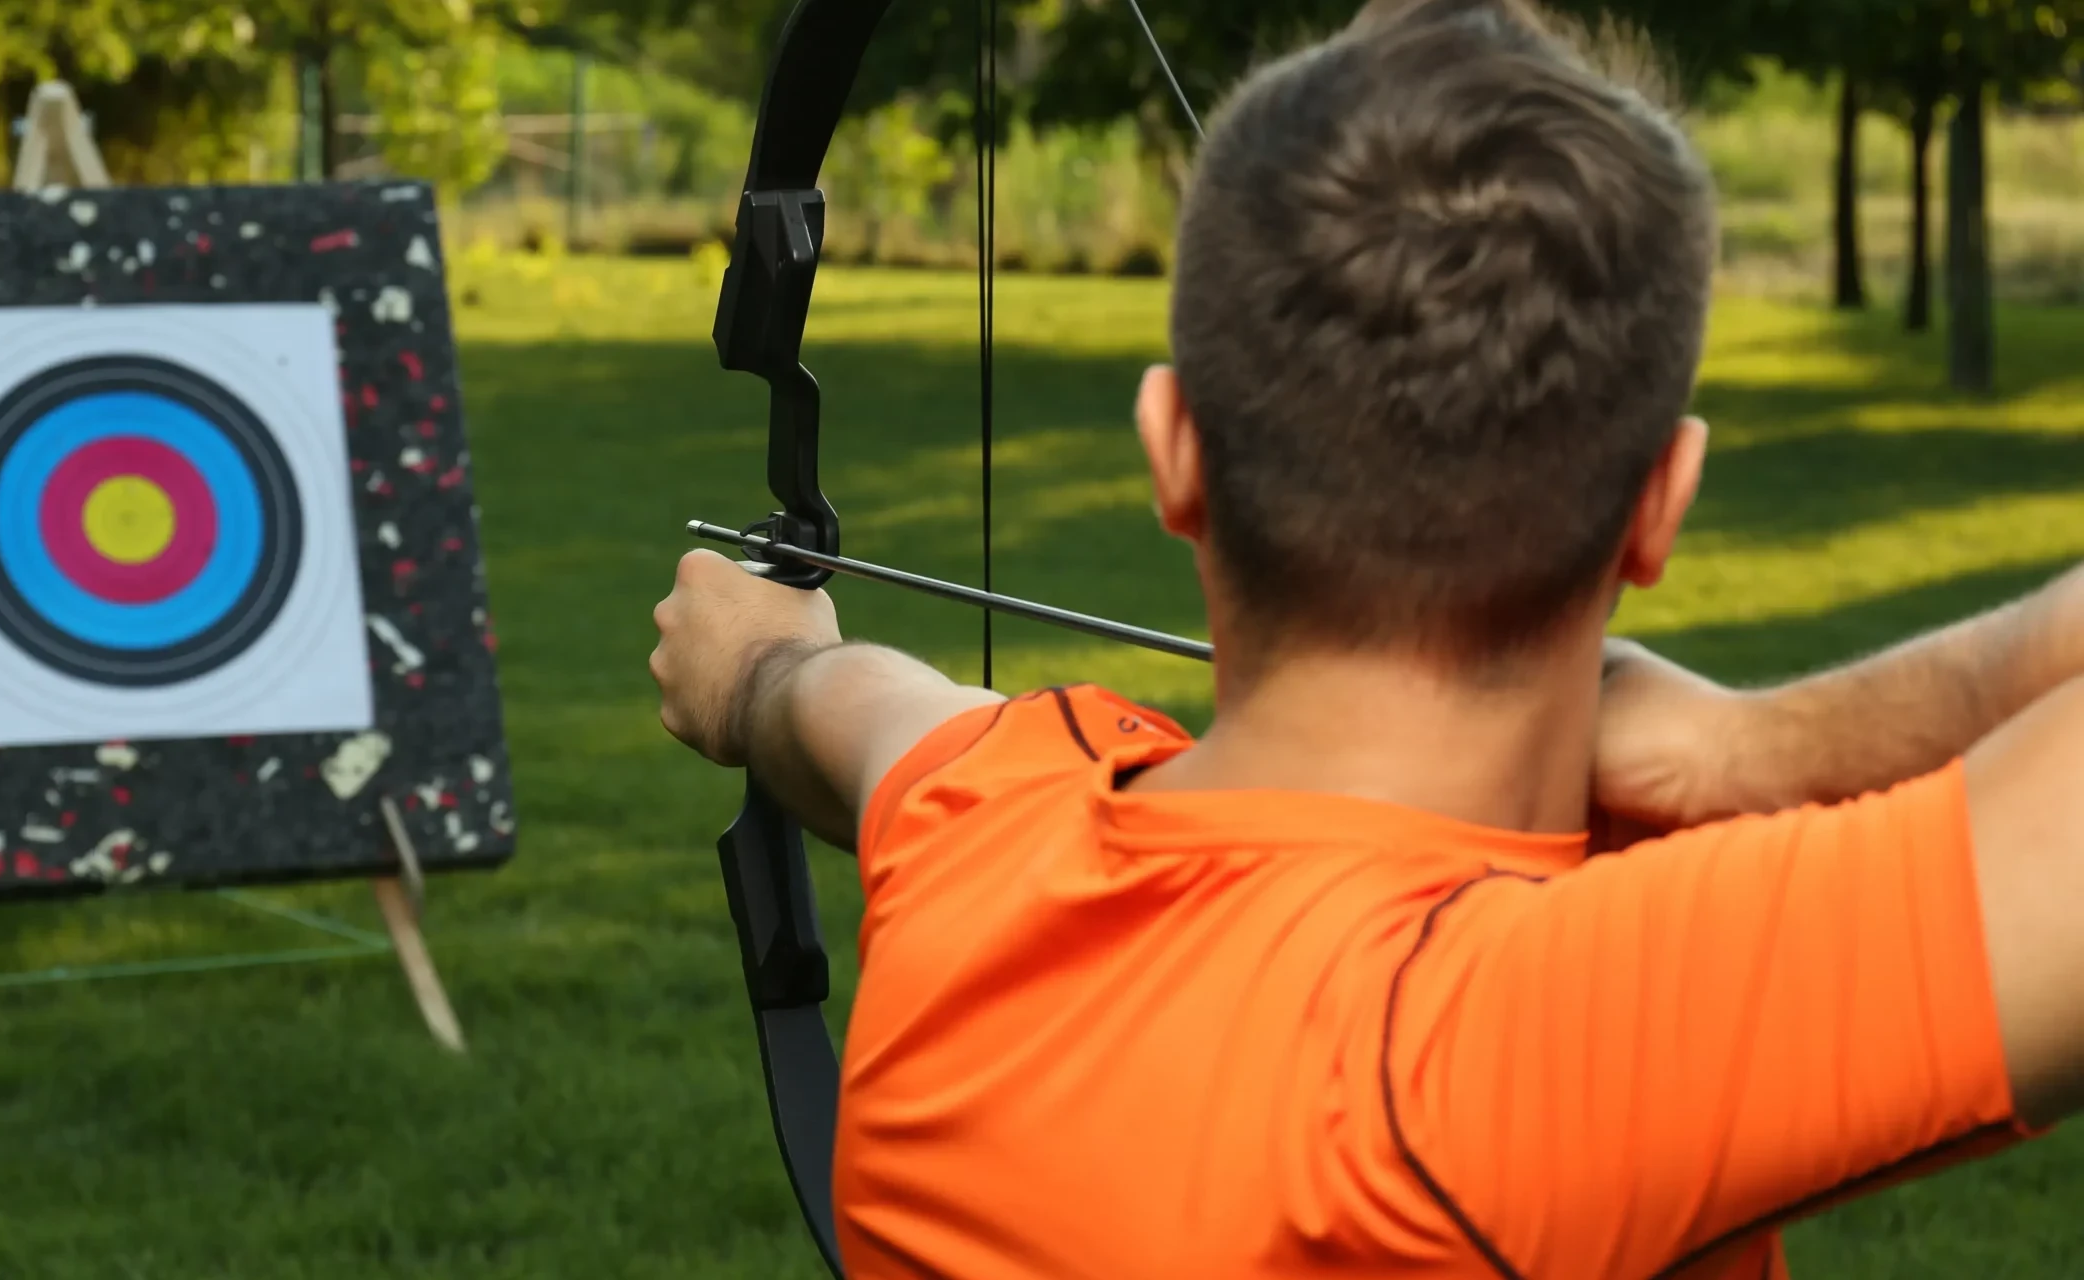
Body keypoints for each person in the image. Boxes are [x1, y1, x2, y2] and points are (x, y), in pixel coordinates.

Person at [650, 1, 2084, 1277]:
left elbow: (836, 705)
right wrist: (1742, 747)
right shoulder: (1535, 1054)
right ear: (1663, 504)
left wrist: (756, 663)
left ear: (1172, 454)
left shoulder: (975, 826)